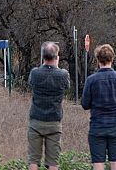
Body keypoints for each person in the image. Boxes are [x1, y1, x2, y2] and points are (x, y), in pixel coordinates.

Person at [81, 44, 116, 170]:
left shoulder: (91, 80)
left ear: (97, 60)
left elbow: (85, 104)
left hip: (97, 127)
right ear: (112, 59)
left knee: (98, 163)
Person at [27, 41, 70, 170]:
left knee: (33, 161)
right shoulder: (63, 74)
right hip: (54, 121)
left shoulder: (35, 73)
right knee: (53, 162)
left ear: (43, 57)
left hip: (36, 120)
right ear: (57, 57)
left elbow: (31, 83)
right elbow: (67, 87)